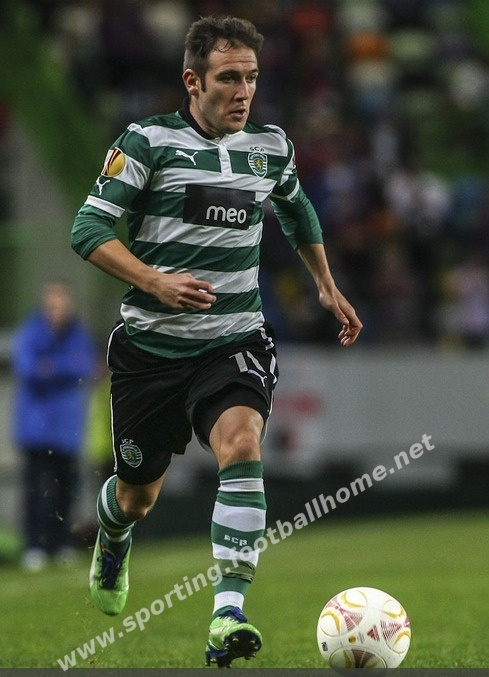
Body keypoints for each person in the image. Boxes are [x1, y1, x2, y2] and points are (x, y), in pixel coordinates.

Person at [71, 14, 362, 667]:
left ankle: (227, 612)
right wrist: (155, 280)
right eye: (229, 78)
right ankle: (113, 535)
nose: (243, 92)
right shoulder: (148, 143)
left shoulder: (270, 147)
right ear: (192, 80)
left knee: (242, 442)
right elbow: (88, 229)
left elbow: (295, 207)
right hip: (151, 348)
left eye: (251, 78)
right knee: (136, 495)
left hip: (233, 340)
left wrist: (324, 283)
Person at [11, 280, 97, 571]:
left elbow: (85, 367)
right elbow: (27, 369)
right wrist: (62, 367)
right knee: (35, 491)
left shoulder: (78, 335)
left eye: (60, 305)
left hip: (67, 429)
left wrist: (50, 366)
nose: (56, 311)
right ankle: (34, 545)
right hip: (36, 429)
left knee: (66, 489)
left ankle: (60, 543)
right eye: (51, 306)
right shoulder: (31, 332)